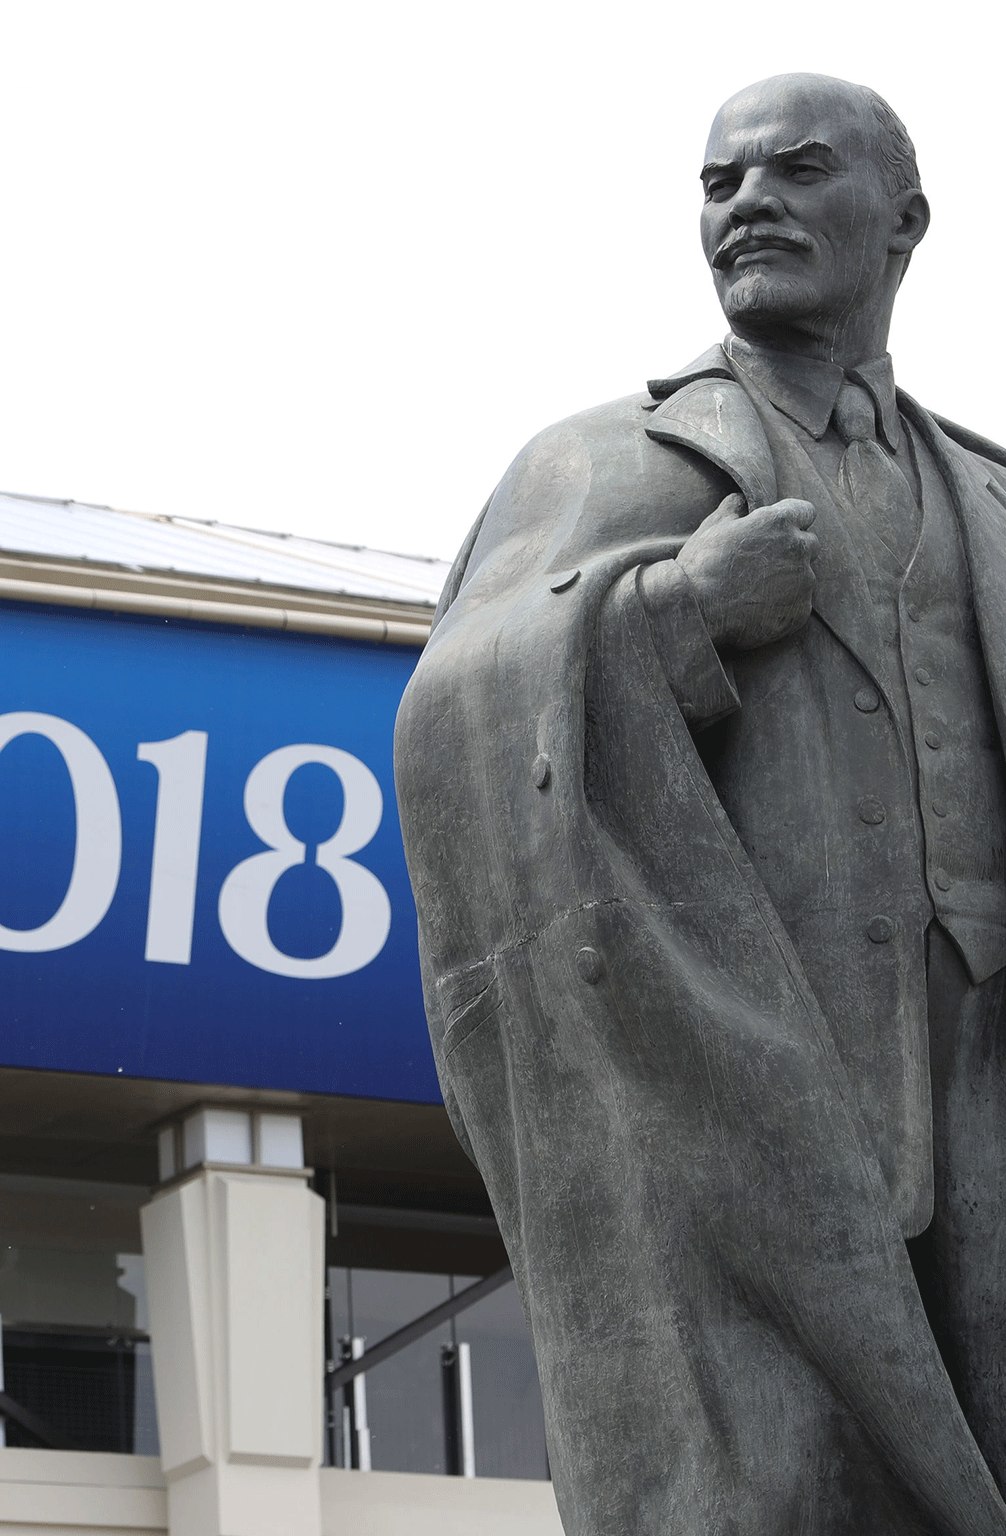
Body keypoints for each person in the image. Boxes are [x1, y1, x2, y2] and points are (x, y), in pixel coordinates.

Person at [397, 74, 1006, 1534]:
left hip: (986, 1099)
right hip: (738, 1086)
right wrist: (672, 609)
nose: (747, 204)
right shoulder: (608, 456)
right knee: (770, 1492)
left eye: (796, 170)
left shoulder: (990, 499)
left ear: (906, 219)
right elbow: (445, 719)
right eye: (719, 182)